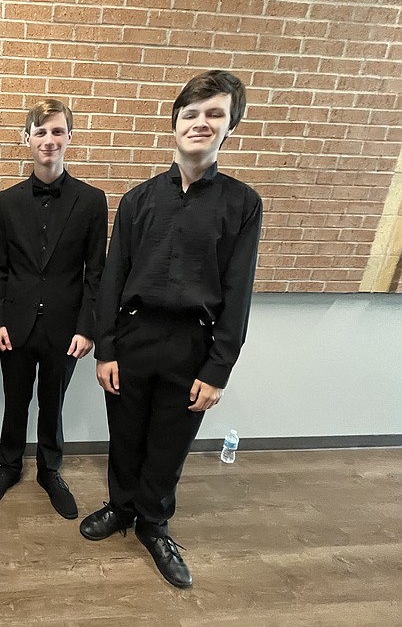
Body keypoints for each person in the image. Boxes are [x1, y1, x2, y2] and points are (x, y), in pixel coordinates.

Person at [79, 70, 263, 589]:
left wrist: (218, 368)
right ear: (175, 123)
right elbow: (112, 279)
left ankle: (154, 524)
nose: (201, 123)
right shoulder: (137, 200)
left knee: (169, 442)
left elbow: (239, 292)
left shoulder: (243, 204)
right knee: (126, 434)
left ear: (230, 127)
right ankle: (121, 507)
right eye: (191, 113)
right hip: (133, 338)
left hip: (192, 344)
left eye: (215, 114)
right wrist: (106, 349)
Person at [0, 99, 108, 520]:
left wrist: (87, 328)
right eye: (40, 132)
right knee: (16, 401)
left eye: (57, 131)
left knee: (53, 403)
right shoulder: (6, 201)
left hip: (65, 327)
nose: (48, 140)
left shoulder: (92, 201)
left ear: (70, 136)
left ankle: (50, 470)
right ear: (27, 139)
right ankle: (9, 465)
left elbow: (96, 273)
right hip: (14, 325)